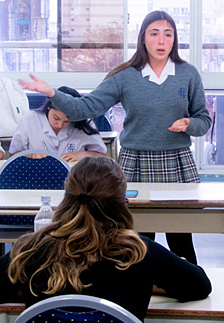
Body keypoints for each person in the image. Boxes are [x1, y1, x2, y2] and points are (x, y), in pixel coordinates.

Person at [18, 11, 211, 264]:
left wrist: (189, 124)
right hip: (135, 162)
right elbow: (83, 108)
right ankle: (140, 293)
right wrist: (52, 93)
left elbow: (203, 121)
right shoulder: (125, 75)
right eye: (154, 34)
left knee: (181, 237)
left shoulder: (188, 74)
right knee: (135, 238)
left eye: (168, 34)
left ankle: (190, 289)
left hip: (176, 161)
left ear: (175, 39)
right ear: (143, 38)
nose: (162, 41)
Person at [0, 156, 212, 321]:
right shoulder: (138, 252)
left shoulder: (34, 249)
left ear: (67, 197)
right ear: (122, 203)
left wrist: (32, 284)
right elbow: (200, 286)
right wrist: (153, 284)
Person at [9, 86, 107, 162]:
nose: (59, 125)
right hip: (37, 176)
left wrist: (83, 155)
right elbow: (13, 154)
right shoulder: (30, 119)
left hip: (74, 179)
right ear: (48, 107)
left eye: (67, 121)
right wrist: (31, 156)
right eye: (56, 118)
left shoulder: (84, 123)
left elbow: (102, 156)